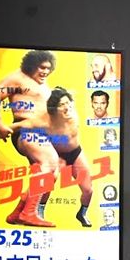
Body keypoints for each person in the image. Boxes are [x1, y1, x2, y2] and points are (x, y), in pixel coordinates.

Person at [0, 49, 58, 227]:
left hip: (41, 133)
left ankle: (17, 213)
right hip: (26, 131)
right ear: (32, 65)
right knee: (49, 165)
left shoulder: (40, 82)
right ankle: (29, 213)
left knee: (53, 174)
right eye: (42, 67)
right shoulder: (17, 78)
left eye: (48, 68)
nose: (45, 71)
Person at [43, 87, 92, 227]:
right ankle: (39, 212)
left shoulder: (72, 110)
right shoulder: (46, 120)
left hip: (75, 153)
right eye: (61, 105)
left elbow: (68, 95)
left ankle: (82, 213)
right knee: (47, 185)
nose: (66, 107)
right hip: (56, 155)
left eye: (67, 103)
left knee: (88, 190)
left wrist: (65, 96)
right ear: (53, 109)